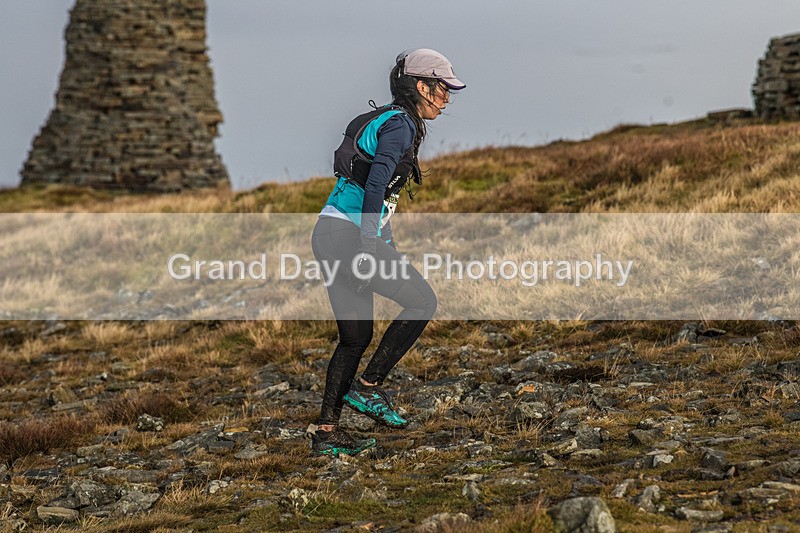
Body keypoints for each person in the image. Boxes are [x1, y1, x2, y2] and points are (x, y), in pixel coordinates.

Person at [305, 49, 466, 457]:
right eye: (442, 88)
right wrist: (367, 245)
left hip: (327, 231)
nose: (447, 98)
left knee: (355, 338)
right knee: (422, 301)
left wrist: (383, 243)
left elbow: (380, 196)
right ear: (420, 87)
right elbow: (376, 186)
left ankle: (326, 433)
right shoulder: (401, 127)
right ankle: (369, 388)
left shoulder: (387, 121)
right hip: (349, 235)